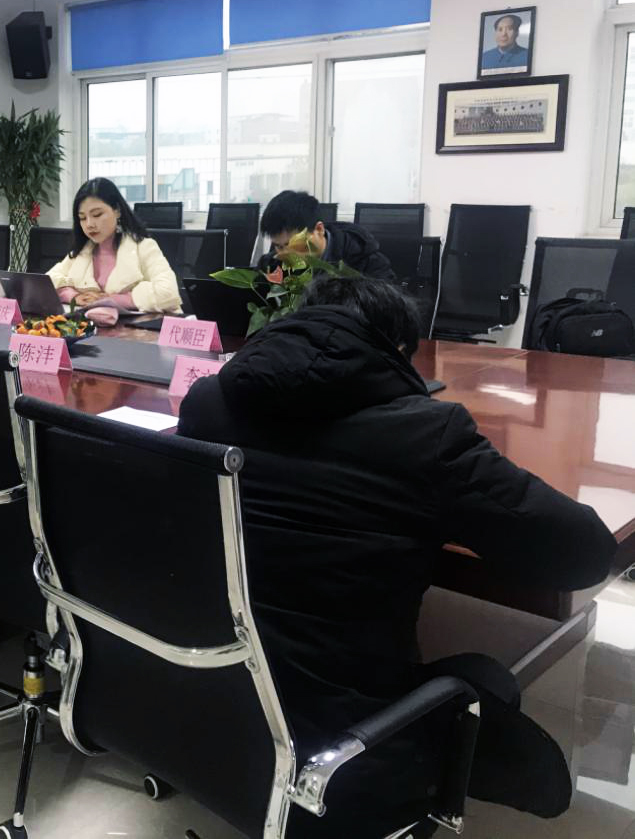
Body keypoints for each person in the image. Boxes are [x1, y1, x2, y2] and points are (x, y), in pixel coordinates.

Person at [176, 276, 616, 838]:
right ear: (396, 351)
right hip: (340, 753)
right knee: (486, 677)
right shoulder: (426, 433)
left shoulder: (206, 402)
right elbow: (582, 554)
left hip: (205, 700)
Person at [46, 177, 181, 326]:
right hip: (92, 331)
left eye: (97, 215)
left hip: (139, 332)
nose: (89, 224)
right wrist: (73, 296)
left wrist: (114, 299)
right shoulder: (83, 251)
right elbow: (47, 282)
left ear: (117, 211)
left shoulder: (143, 246)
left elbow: (168, 293)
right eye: (82, 218)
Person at [258, 190, 396, 281]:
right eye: (279, 246)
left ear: (319, 230)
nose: (285, 254)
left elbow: (389, 305)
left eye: (292, 244)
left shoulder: (364, 261)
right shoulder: (272, 266)